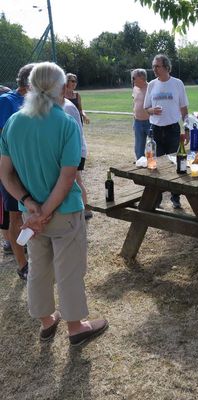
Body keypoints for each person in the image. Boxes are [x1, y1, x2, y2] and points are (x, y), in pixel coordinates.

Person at [0, 62, 108, 346]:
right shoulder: (65, 123)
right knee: (69, 269)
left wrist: (29, 205)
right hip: (63, 212)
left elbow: (5, 173)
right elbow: (68, 176)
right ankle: (76, 327)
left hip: (30, 215)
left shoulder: (13, 122)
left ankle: (46, 320)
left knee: (39, 267)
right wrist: (45, 211)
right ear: (59, 88)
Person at [0, 63, 35, 280]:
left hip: (33, 168)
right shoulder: (6, 102)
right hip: (12, 171)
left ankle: (34, 253)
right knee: (15, 216)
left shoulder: (38, 102)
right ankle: (23, 265)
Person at [144, 54, 189, 209]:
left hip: (172, 130)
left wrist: (187, 128)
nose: (154, 69)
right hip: (155, 130)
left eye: (157, 66)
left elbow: (184, 109)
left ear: (166, 67)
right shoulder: (151, 85)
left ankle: (175, 198)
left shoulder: (177, 84)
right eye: (153, 66)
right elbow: (146, 108)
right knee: (155, 165)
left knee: (175, 164)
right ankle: (156, 200)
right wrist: (152, 110)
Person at [63, 98, 92, 220]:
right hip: (74, 149)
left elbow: (76, 132)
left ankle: (86, 208)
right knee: (75, 179)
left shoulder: (67, 107)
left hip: (76, 150)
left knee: (77, 179)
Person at [131, 68, 150, 159]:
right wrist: (134, 118)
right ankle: (140, 163)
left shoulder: (151, 87)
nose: (132, 80)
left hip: (150, 122)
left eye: (134, 78)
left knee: (152, 146)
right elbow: (134, 102)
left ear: (142, 77)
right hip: (138, 122)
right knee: (138, 148)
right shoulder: (134, 88)